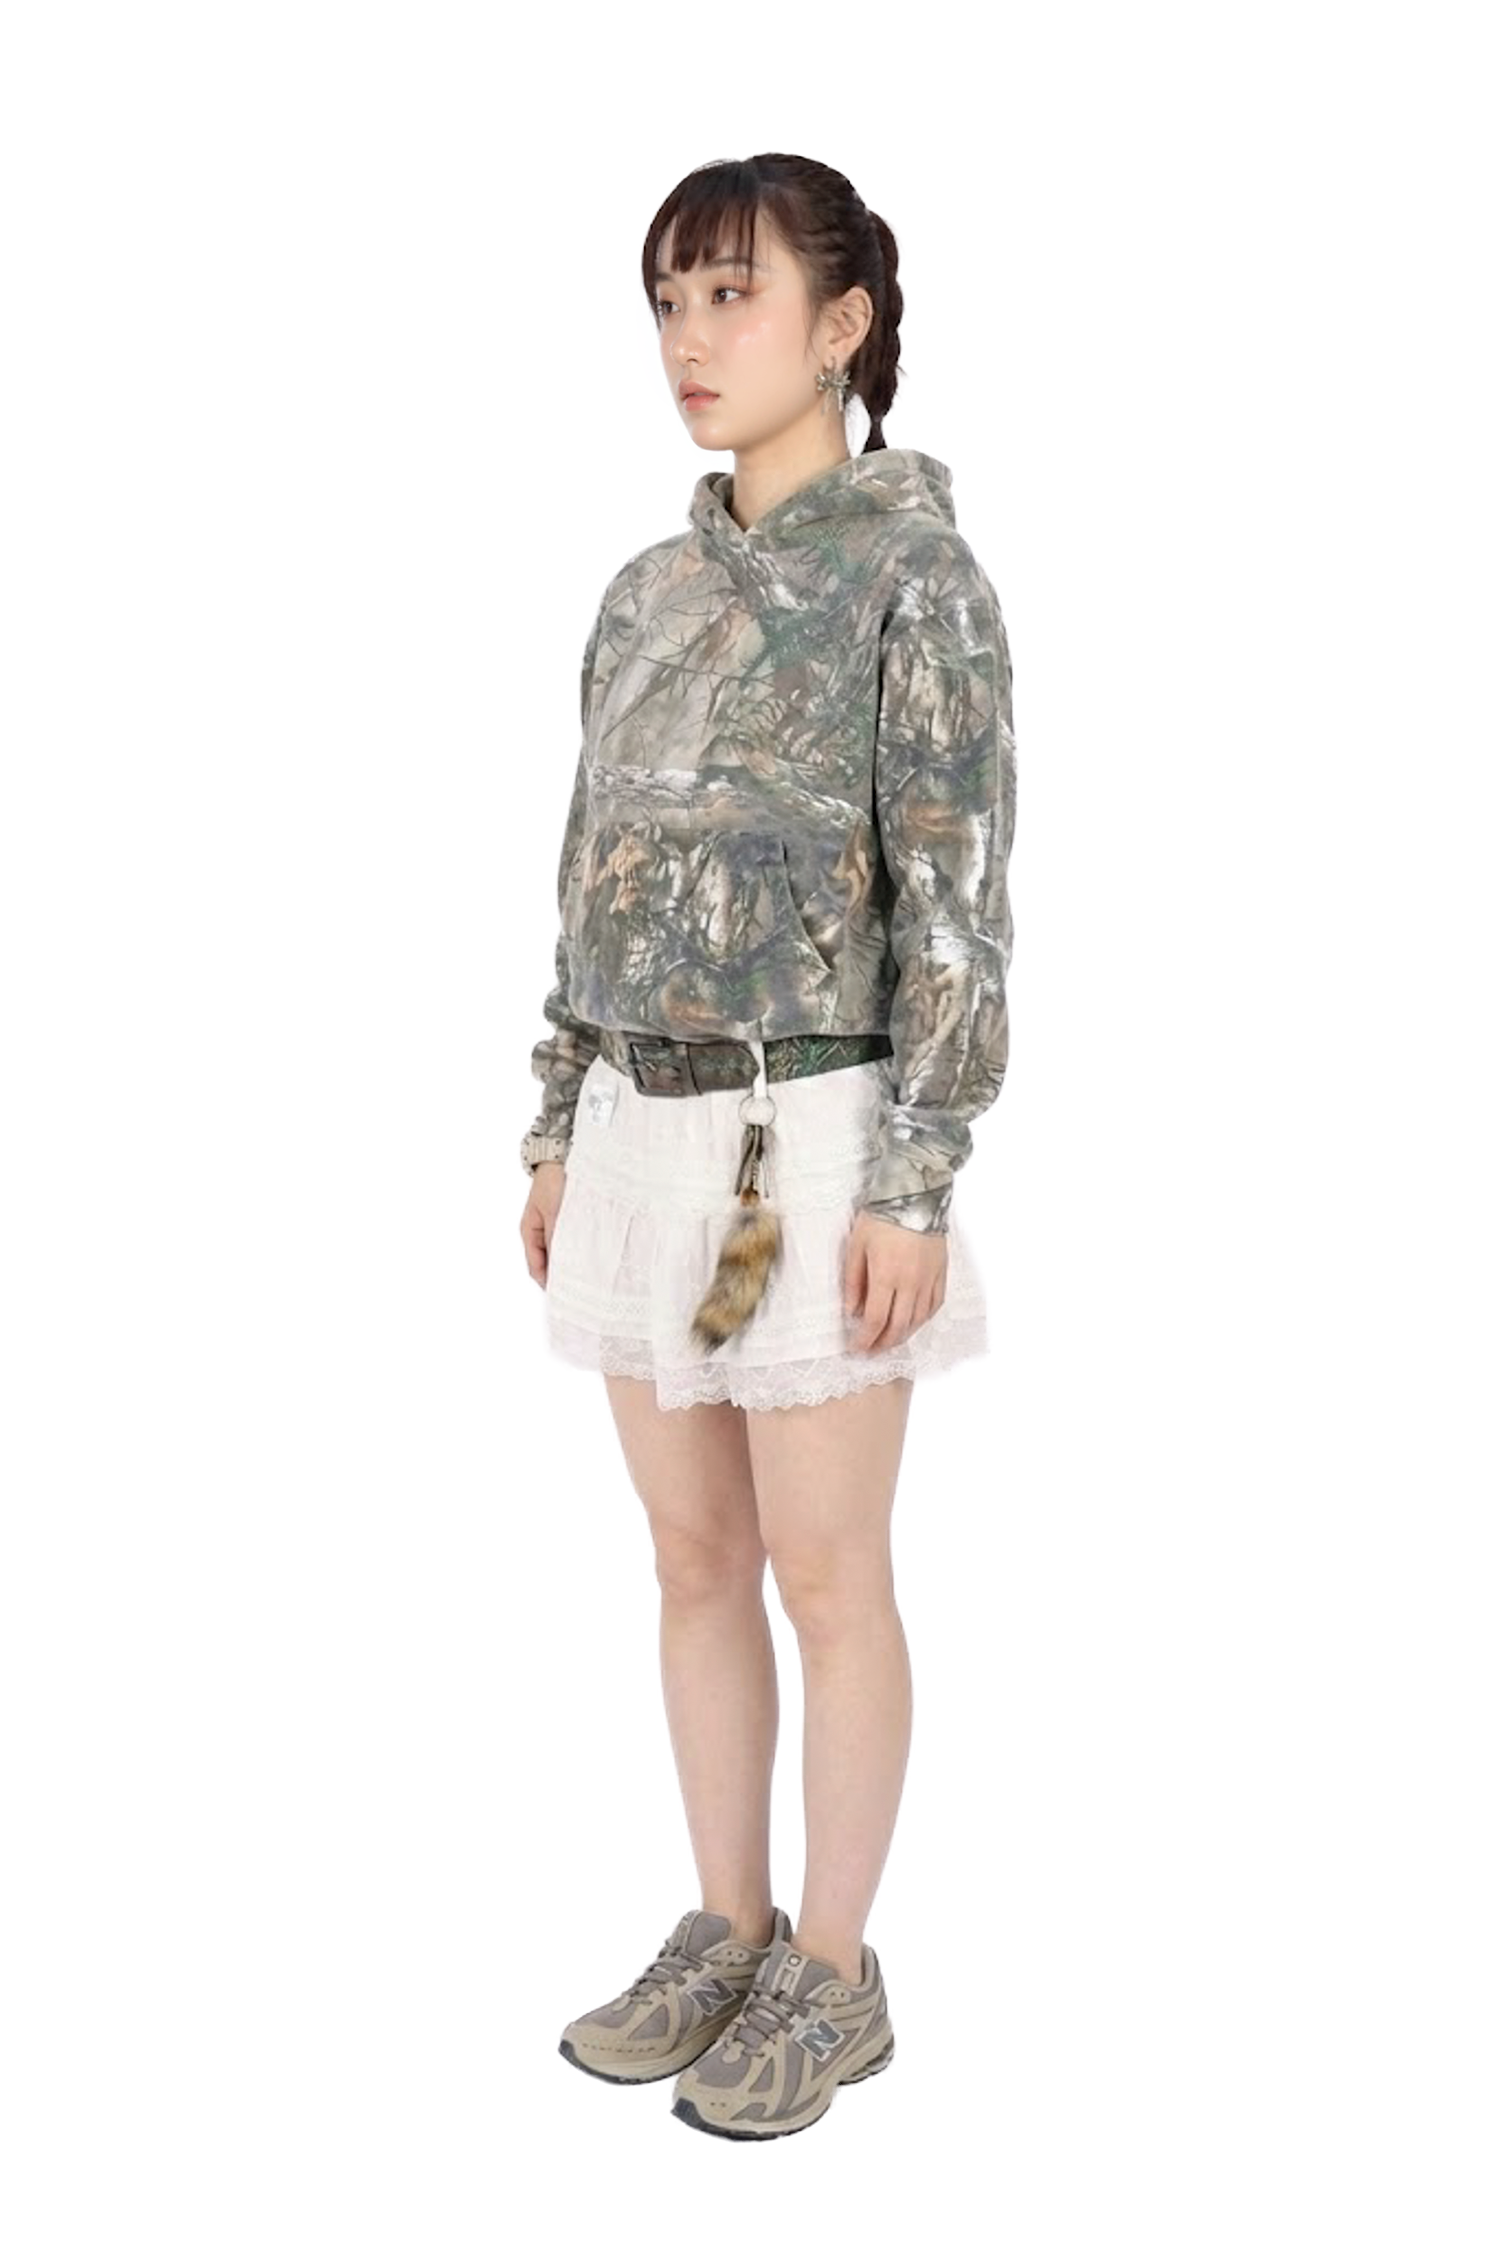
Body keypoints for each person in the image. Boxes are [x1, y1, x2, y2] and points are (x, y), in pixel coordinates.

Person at [517, 153, 1018, 2140]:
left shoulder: (917, 579)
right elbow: (587, 871)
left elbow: (958, 896)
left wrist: (916, 1171)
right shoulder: (643, 596)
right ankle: (723, 1925)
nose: (690, 339)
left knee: (826, 1567)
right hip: (644, 1130)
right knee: (691, 1555)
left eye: (732, 295)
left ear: (844, 325)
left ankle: (834, 1965)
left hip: (812, 1127)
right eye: (668, 301)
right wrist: (555, 1113)